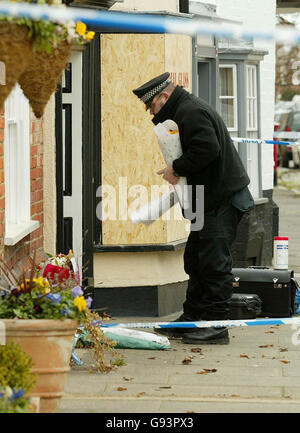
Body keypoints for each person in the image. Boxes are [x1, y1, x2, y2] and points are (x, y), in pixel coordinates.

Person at [132, 72, 254, 344]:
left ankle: (216, 325)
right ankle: (193, 318)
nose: (151, 112)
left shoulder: (190, 112)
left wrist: (176, 168)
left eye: (152, 106)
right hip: (208, 200)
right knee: (196, 260)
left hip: (222, 201)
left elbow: (206, 149)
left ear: (164, 97)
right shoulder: (184, 111)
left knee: (213, 265)